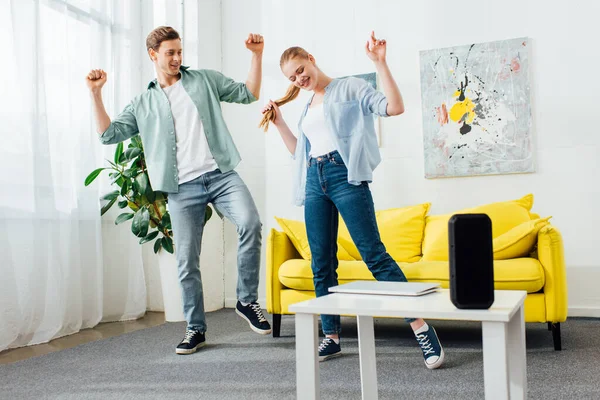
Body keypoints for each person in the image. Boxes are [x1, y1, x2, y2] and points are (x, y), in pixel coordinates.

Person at [260, 32, 444, 369]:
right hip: (314, 179)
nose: (300, 79)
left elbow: (394, 107)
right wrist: (281, 123)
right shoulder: (306, 107)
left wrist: (380, 62)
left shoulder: (350, 87)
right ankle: (330, 336)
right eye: (292, 77)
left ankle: (421, 327)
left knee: (375, 256)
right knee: (322, 262)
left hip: (344, 175)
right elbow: (299, 153)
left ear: (311, 59)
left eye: (301, 70)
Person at [86, 26, 271, 355]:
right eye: (169, 53)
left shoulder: (203, 80)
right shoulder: (143, 102)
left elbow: (248, 93)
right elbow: (108, 135)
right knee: (186, 261)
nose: (176, 58)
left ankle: (246, 300)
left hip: (220, 174)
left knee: (250, 223)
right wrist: (96, 94)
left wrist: (256, 55)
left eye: (179, 52)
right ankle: (195, 328)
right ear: (153, 55)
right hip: (182, 188)